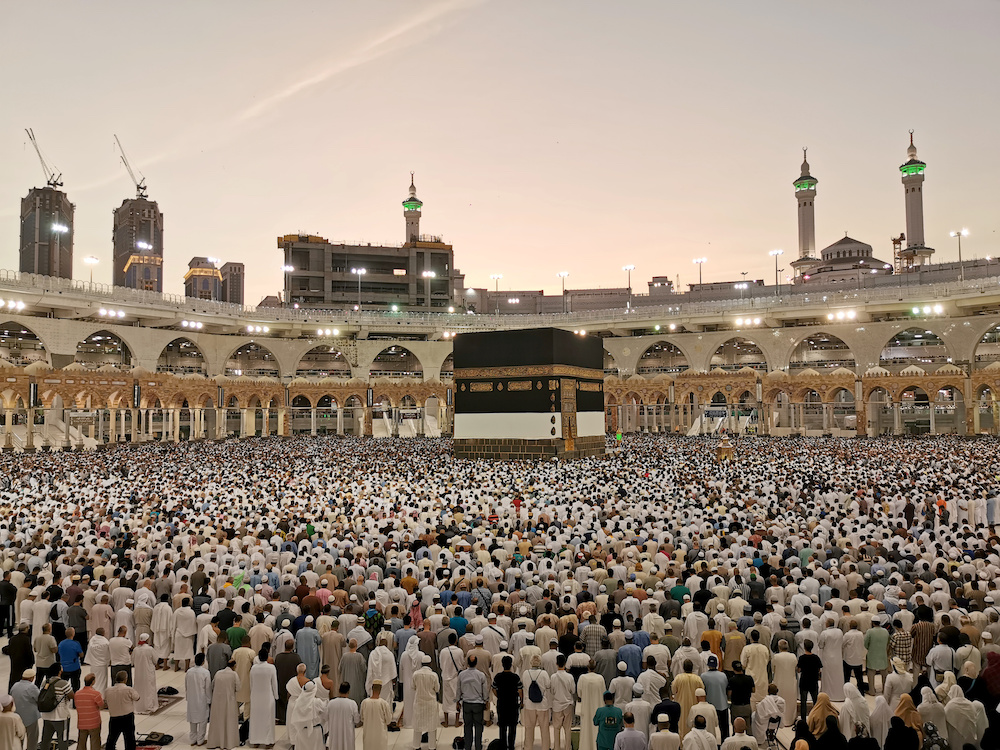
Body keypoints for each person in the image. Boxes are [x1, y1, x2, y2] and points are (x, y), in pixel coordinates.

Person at [248, 645, 279, 748]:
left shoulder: (253, 668)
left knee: (256, 719)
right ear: (267, 657)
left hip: (256, 696)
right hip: (267, 696)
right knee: (268, 719)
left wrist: (252, 694)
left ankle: (255, 740)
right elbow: (274, 683)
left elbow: (251, 683)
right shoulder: (271, 667)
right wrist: (276, 696)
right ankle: (268, 741)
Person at [457, 655, 490, 750]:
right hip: (478, 704)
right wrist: (486, 701)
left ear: (467, 663)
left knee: (467, 726)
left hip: (466, 703)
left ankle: (467, 746)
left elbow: (458, 689)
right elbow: (485, 690)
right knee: (478, 726)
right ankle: (478, 746)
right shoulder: (481, 675)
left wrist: (457, 701)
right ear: (476, 663)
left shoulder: (462, 675)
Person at [207, 660, 241, 750]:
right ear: (234, 666)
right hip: (229, 701)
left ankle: (216, 742)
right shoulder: (234, 674)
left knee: (218, 721)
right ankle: (228, 742)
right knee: (228, 721)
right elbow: (238, 687)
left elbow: (213, 685)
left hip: (217, 702)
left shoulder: (218, 673)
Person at [492, 655, 522, 750]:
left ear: (502, 664)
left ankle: (503, 746)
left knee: (502, 726)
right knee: (513, 726)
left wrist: (499, 696)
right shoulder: (515, 677)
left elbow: (493, 688)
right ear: (511, 665)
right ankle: (511, 745)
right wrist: (521, 700)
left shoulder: (498, 677)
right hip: (513, 704)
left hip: (502, 704)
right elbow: (520, 690)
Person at [39, 668, 74, 750]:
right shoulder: (63, 683)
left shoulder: (45, 682)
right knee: (62, 740)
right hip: (61, 716)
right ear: (59, 672)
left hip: (47, 715)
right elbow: (72, 696)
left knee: (45, 740)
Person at [522, 653, 551, 750]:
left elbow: (524, 686)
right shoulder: (544, 673)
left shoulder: (526, 673)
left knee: (529, 727)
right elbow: (548, 685)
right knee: (544, 728)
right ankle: (546, 747)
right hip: (542, 704)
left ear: (530, 662)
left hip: (529, 704)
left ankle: (528, 747)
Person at [105, 670, 140, 750]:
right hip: (127, 717)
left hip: (114, 717)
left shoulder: (108, 690)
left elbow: (105, 701)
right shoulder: (128, 689)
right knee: (129, 738)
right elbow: (137, 697)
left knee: (112, 738)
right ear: (125, 679)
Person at [413, 653, 442, 750]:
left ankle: (416, 746)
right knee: (432, 727)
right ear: (430, 664)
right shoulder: (433, 675)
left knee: (417, 726)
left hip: (419, 702)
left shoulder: (416, 674)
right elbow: (437, 689)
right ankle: (432, 746)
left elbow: (413, 687)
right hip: (430, 703)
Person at [287, 679, 325, 750]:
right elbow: (325, 715)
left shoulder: (297, 702)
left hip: (301, 732)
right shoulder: (317, 702)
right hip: (315, 732)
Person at [186, 653, 213, 747]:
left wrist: (187, 696)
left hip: (191, 698)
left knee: (192, 719)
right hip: (202, 698)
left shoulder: (189, 671)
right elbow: (208, 688)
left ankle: (192, 739)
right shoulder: (205, 672)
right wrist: (209, 700)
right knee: (203, 720)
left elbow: (186, 685)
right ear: (203, 661)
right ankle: (200, 740)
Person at [550, 654, 576, 750]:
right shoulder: (570, 676)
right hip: (568, 704)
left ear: (556, 664)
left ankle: (556, 747)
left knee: (556, 728)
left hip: (557, 704)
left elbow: (552, 691)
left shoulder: (553, 677)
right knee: (567, 728)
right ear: (565, 663)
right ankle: (567, 747)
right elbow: (573, 690)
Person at [580, 660, 608, 750]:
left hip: (586, 707)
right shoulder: (600, 678)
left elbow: (579, 693)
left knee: (586, 727)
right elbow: (604, 693)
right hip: (598, 706)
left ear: (587, 667)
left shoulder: (582, 678)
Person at [325, 681, 360, 750]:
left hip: (334, 735)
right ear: (348, 691)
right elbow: (357, 720)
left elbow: (325, 717)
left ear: (339, 690)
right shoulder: (352, 704)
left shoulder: (331, 703)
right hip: (347, 736)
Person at [75, 673, 106, 750]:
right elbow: (101, 706)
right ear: (93, 682)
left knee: (81, 743)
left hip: (81, 723)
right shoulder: (96, 694)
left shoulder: (77, 694)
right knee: (95, 743)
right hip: (94, 723)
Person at [11, 668, 40, 750]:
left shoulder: (15, 685)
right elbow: (39, 698)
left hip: (18, 715)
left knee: (20, 736)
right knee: (32, 738)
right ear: (31, 678)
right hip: (31, 717)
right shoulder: (31, 687)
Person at [360, 680, 393, 750]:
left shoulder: (364, 702)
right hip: (380, 735)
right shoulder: (384, 703)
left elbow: (362, 718)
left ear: (372, 688)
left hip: (368, 734)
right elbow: (388, 720)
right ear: (380, 689)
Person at [796, 640, 822, 722]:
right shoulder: (816, 658)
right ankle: (816, 718)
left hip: (804, 681)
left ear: (804, 647)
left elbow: (799, 670)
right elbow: (819, 670)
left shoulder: (802, 658)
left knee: (803, 702)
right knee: (815, 701)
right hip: (813, 682)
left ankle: (803, 720)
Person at [131, 634, 158, 714]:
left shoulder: (136, 649)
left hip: (138, 673)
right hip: (148, 672)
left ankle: (138, 706)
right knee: (149, 689)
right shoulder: (150, 649)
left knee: (139, 688)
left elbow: (132, 661)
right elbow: (155, 660)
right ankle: (148, 706)